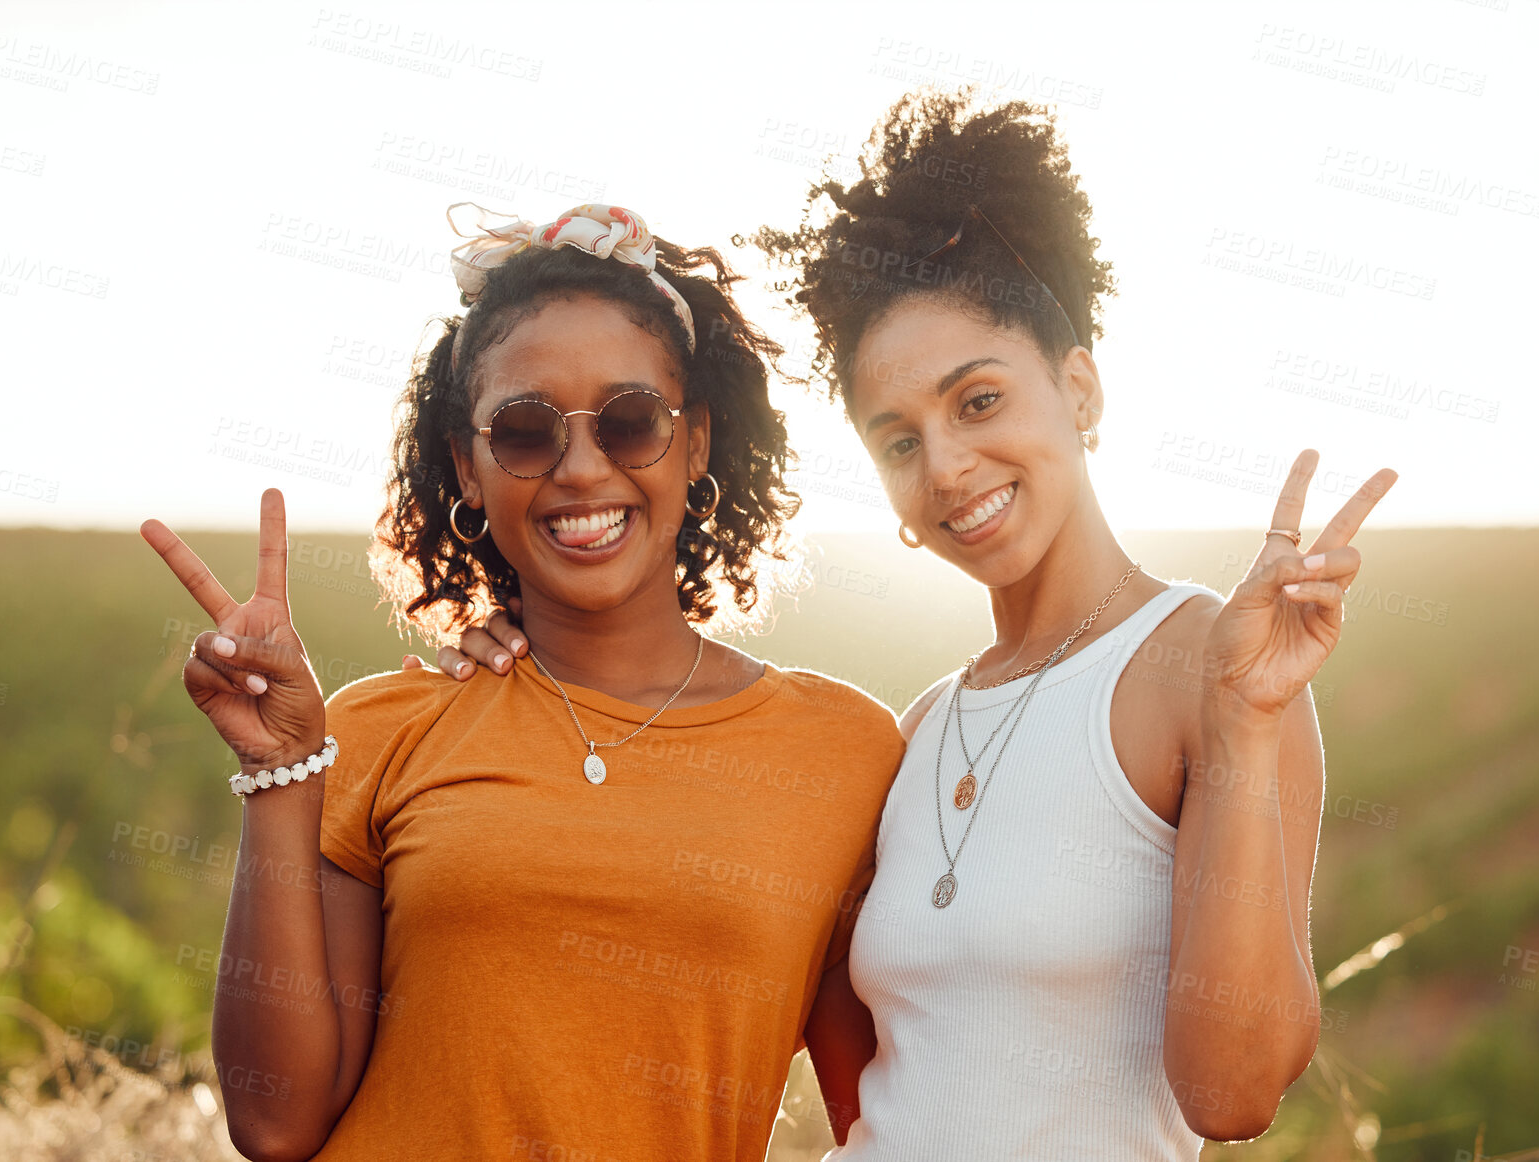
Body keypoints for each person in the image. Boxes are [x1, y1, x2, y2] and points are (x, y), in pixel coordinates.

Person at [434, 94, 1396, 1158]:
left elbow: (1232, 1091)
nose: (944, 468)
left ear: (1077, 388)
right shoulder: (918, 730)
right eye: (898, 441)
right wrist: (517, 672)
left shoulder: (1207, 670)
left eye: (977, 402)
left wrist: (1247, 717)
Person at [141, 202, 901, 1161]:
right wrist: (283, 769)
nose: (582, 470)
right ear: (468, 466)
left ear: (696, 442)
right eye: (527, 432)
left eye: (630, 423)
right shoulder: (383, 728)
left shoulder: (843, 755)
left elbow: (877, 1125)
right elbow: (275, 1121)